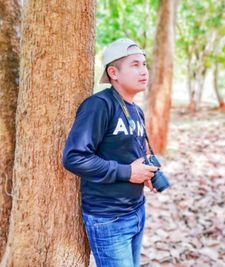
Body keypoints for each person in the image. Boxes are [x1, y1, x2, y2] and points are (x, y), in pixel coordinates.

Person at [62, 38, 158, 267]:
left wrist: (147, 172)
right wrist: (127, 172)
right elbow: (74, 158)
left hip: (136, 211)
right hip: (109, 219)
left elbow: (132, 153)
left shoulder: (136, 111)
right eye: (135, 65)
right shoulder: (99, 105)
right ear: (113, 72)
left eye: (144, 64)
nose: (143, 71)